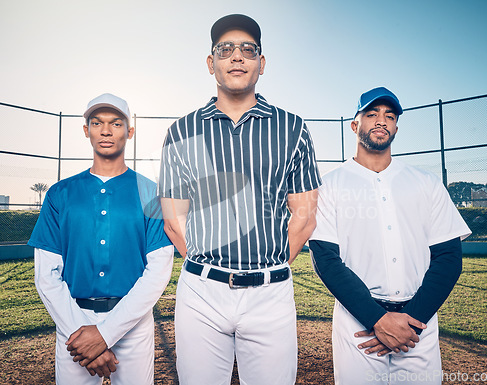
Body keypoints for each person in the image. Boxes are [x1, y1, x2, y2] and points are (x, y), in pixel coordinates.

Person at [158, 14, 321, 385]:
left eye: (248, 49)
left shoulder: (291, 127)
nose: (237, 56)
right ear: (211, 62)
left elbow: (305, 216)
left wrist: (269, 266)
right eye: (225, 48)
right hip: (201, 292)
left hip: (270, 292)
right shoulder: (181, 130)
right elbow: (173, 219)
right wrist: (208, 266)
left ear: (261, 64)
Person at [309, 87, 471, 384]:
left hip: (417, 326)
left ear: (396, 126)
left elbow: (448, 258)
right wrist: (377, 320)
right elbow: (325, 260)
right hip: (358, 325)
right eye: (371, 114)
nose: (381, 120)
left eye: (389, 115)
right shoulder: (328, 184)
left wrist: (411, 323)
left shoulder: (426, 182)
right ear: (355, 125)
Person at [28, 93, 174, 384]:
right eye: (97, 123)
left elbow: (159, 270)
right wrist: (82, 334)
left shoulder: (151, 192)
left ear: (129, 131)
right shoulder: (60, 193)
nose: (106, 131)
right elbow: (46, 275)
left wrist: (105, 334)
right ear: (87, 130)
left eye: (116, 123)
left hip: (132, 322)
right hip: (74, 322)